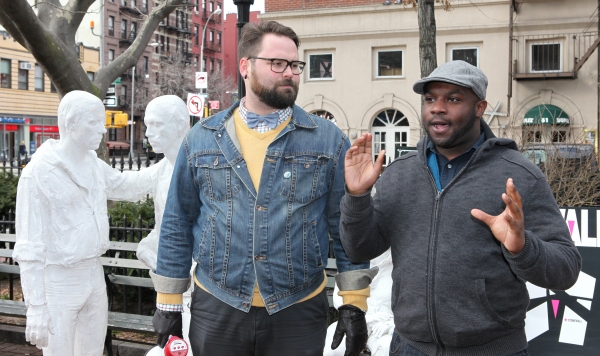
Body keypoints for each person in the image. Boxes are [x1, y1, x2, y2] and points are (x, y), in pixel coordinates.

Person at [150, 21, 376, 356]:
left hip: (298, 309)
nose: (290, 73)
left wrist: (354, 303)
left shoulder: (328, 140)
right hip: (217, 307)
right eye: (278, 64)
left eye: (295, 65)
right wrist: (168, 304)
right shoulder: (202, 139)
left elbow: (345, 228)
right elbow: (177, 223)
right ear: (245, 66)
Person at [339, 60, 582, 356]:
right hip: (409, 348)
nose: (437, 108)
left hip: (493, 350)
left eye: (452, 99)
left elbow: (566, 269)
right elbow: (360, 249)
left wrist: (522, 247)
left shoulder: (518, 175)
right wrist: (357, 196)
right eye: (430, 99)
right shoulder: (400, 174)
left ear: (480, 107)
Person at [13, 90, 155, 355]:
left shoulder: (92, 163)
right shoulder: (38, 173)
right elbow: (29, 246)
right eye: (94, 122)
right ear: (72, 123)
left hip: (93, 274)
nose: (102, 129)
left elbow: (127, 185)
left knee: (92, 351)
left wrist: (169, 163)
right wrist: (36, 308)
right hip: (58, 281)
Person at [131, 96, 195, 355]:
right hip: (171, 287)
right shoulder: (162, 169)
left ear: (180, 124)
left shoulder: (197, 166)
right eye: (147, 125)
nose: (148, 134)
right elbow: (122, 184)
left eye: (156, 125)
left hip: (197, 288)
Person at [324, 248, 394, 356]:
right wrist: (366, 319)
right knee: (332, 348)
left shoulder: (401, 264)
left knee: (386, 347)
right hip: (353, 319)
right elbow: (339, 299)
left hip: (382, 327)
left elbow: (410, 303)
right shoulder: (352, 261)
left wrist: (393, 323)